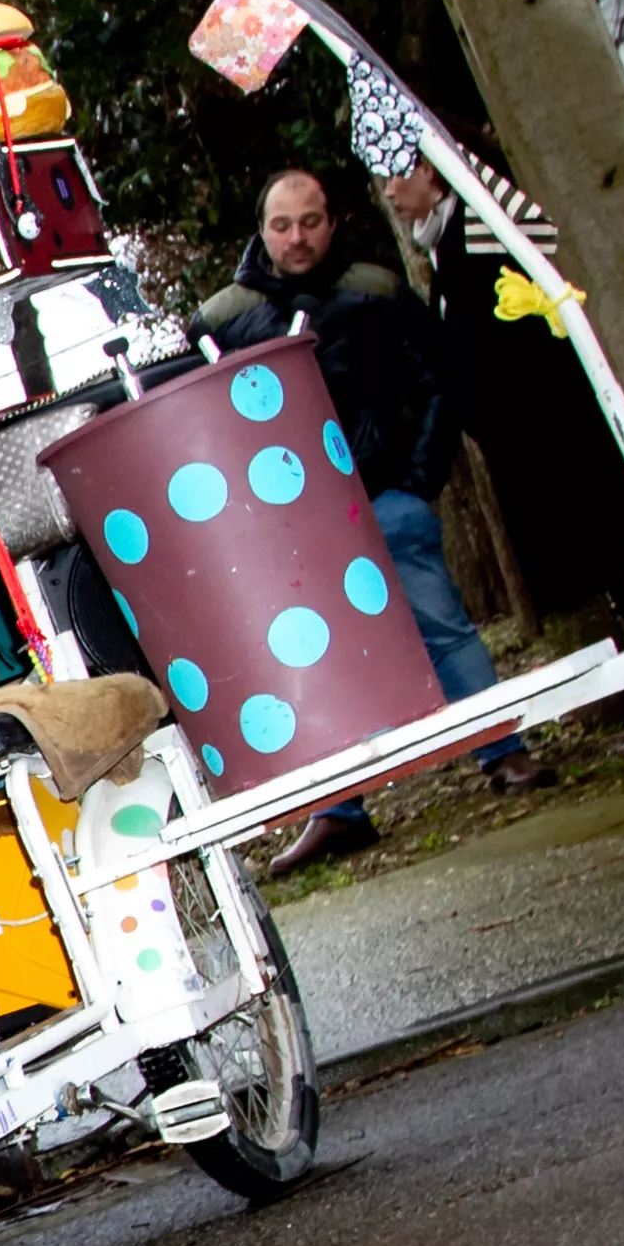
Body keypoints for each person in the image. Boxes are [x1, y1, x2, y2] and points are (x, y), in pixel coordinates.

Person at [216, 167, 547, 879]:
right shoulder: (224, 318)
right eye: (282, 224)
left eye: (310, 221)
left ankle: (501, 747)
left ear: (332, 223)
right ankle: (338, 809)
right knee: (313, 660)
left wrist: (418, 479)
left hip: (387, 498)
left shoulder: (377, 291)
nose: (297, 237)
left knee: (442, 624)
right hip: (291, 526)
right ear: (262, 230)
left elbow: (439, 381)